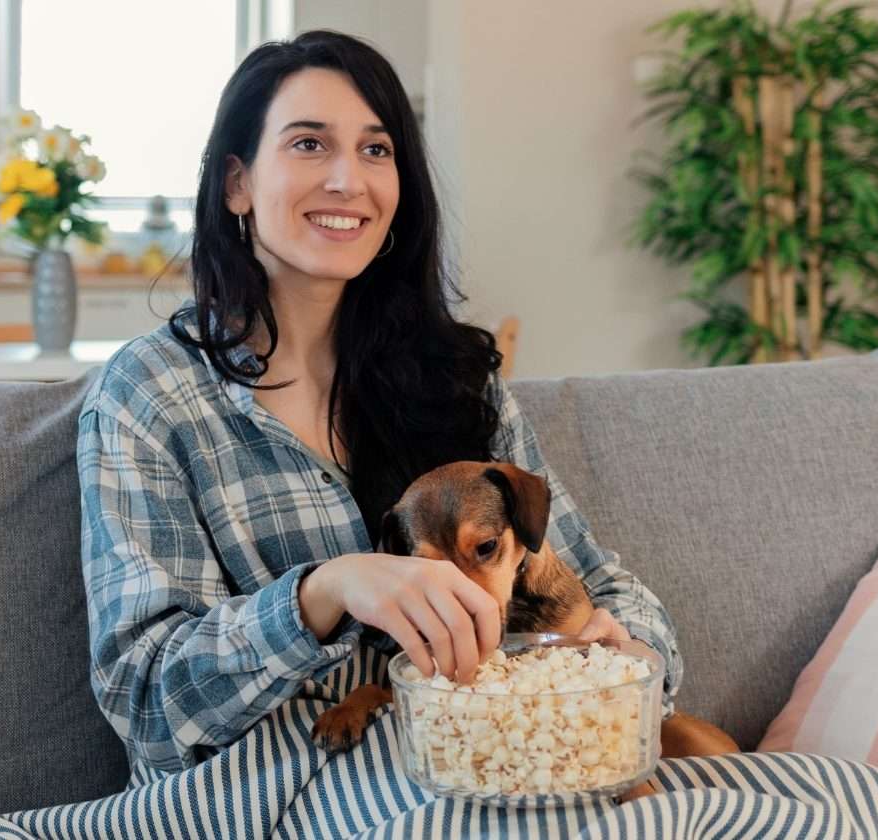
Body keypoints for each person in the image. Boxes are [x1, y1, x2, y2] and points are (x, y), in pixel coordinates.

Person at [76, 29, 681, 778]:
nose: (347, 180)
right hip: (276, 794)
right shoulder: (150, 394)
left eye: (375, 149)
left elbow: (601, 585)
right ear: (236, 182)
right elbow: (145, 702)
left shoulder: (455, 376)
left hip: (490, 769)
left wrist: (631, 659)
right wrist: (324, 590)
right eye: (309, 144)